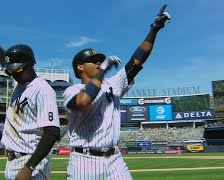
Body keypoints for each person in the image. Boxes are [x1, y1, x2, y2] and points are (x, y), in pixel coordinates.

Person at [63, 4, 171, 179]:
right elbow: (83, 101)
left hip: (115, 159)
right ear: (80, 67)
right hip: (85, 161)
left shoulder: (113, 83)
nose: (98, 62)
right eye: (93, 61)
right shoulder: (72, 90)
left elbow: (137, 60)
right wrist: (103, 70)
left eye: (99, 60)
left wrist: (154, 30)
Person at [0, 22, 61, 180]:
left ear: (30, 64)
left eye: (16, 70)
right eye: (10, 71)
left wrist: (29, 167)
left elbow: (52, 132)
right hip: (12, 161)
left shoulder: (42, 89)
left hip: (30, 161)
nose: (13, 74)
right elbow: (4, 60)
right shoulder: (19, 82)